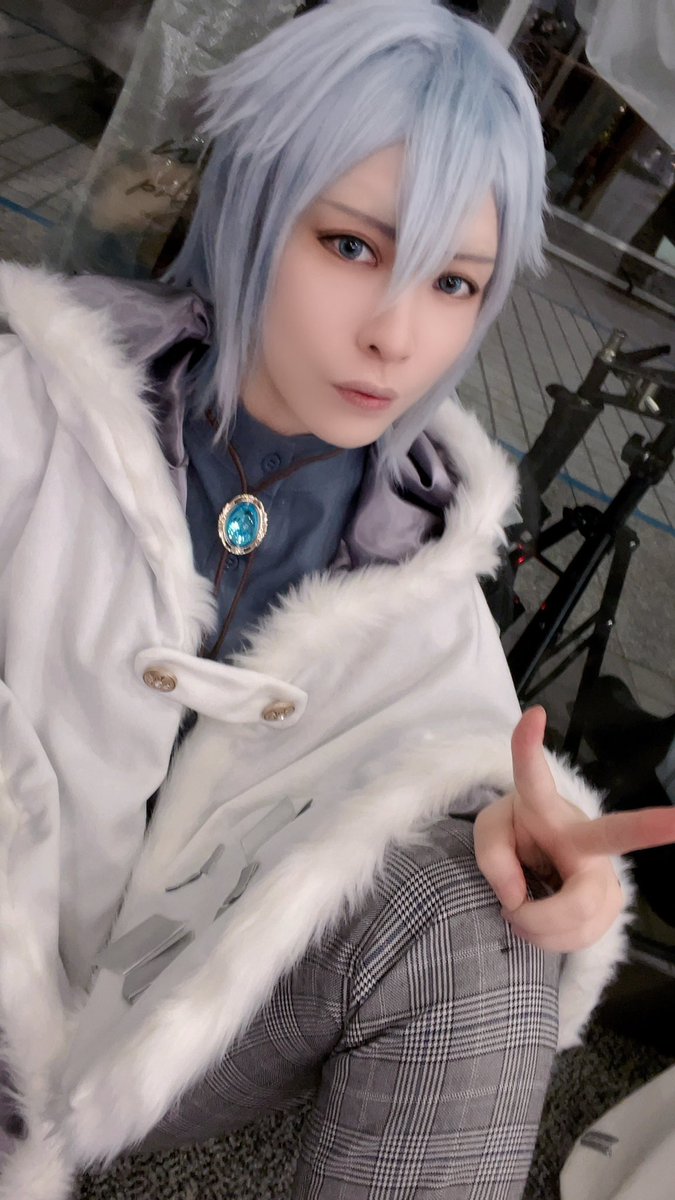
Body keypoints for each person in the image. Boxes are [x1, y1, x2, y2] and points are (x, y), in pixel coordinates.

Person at [1, 2, 674, 1197]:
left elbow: (459, 753)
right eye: (354, 248)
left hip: (147, 1040)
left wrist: (529, 859)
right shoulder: (35, 403)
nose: (397, 337)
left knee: (476, 920)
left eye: (454, 283)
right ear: (253, 207)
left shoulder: (418, 547)